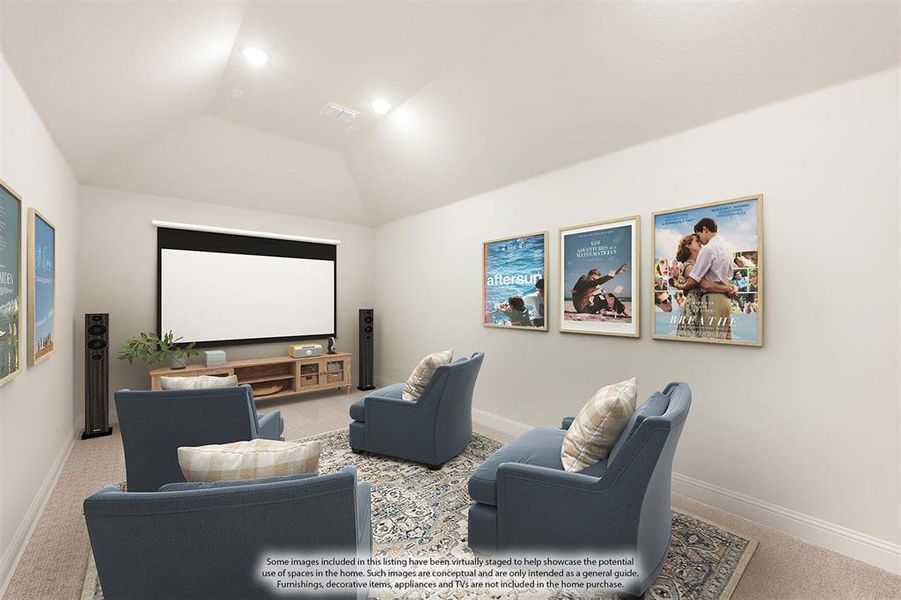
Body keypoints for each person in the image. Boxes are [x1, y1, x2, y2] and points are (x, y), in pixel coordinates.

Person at [684, 217, 737, 339]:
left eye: (699, 235)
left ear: (705, 230)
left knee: (709, 342)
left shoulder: (708, 249)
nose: (700, 241)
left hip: (712, 300)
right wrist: (729, 288)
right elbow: (728, 277)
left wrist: (684, 286)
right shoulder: (726, 248)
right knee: (723, 340)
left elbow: (695, 280)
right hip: (725, 301)